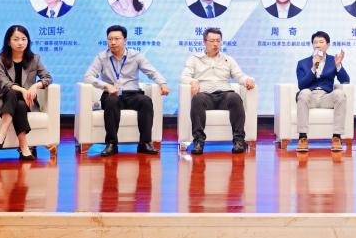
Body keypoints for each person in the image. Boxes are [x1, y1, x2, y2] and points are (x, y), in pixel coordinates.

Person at [84, 24, 170, 156]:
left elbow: (152, 72)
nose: (113, 42)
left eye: (117, 39)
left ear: (125, 40)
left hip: (132, 94)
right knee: (112, 102)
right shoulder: (101, 57)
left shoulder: (136, 56)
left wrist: (162, 83)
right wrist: (106, 86)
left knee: (146, 101)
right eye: (110, 39)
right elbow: (88, 77)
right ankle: (111, 144)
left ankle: (145, 143)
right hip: (111, 94)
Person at [181, 27, 256, 155]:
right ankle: (198, 141)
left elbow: (239, 76)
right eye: (212, 41)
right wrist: (193, 81)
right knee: (197, 99)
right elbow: (184, 76)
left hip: (224, 95)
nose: (215, 44)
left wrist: (248, 80)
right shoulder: (194, 59)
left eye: (218, 41)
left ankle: (239, 141)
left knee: (235, 98)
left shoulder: (228, 59)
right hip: (205, 95)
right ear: (204, 42)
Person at [0, 24, 52, 161]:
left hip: (27, 101)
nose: (20, 43)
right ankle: (24, 147)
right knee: (14, 96)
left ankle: (1, 134)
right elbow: (3, 82)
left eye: (24, 39)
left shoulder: (35, 59)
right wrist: (22, 89)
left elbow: (48, 78)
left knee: (20, 102)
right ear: (8, 42)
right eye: (16, 39)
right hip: (3, 100)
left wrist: (35, 86)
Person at [294, 31, 350, 153]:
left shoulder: (333, 60)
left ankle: (336, 137)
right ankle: (302, 137)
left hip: (326, 97)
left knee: (340, 94)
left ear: (327, 45)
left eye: (321, 42)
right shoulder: (302, 63)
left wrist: (338, 66)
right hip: (309, 97)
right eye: (315, 42)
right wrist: (313, 68)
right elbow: (301, 85)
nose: (318, 45)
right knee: (304, 93)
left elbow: (345, 80)